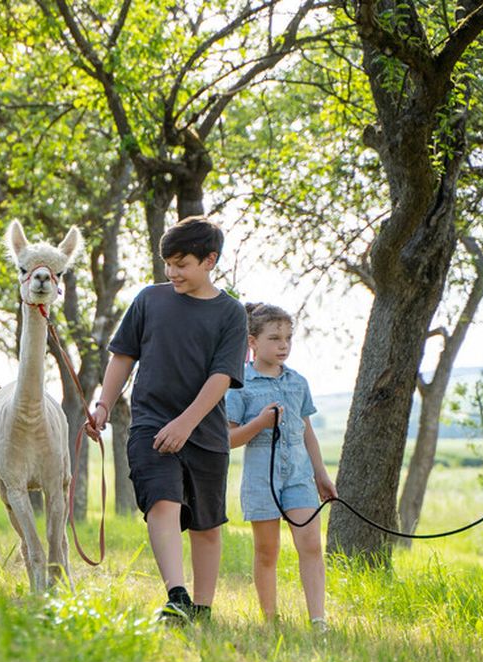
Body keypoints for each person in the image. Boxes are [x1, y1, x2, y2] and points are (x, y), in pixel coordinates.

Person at [87, 217, 248, 622]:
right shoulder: (149, 300)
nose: (172, 272)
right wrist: (103, 405)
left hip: (205, 431)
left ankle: (204, 609)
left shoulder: (231, 313)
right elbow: (123, 356)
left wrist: (186, 424)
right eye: (168, 264)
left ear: (210, 260)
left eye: (182, 264)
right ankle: (177, 596)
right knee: (163, 502)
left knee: (207, 526)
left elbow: (222, 377)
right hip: (150, 423)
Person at [225, 303, 336, 628]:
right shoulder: (239, 384)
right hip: (262, 480)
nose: (283, 345)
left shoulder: (298, 382)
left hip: (299, 478)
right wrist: (259, 423)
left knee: (312, 546)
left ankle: (318, 620)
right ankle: (270, 620)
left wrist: (321, 475)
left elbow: (307, 432)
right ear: (253, 342)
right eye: (275, 338)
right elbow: (228, 439)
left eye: (288, 338)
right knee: (267, 550)